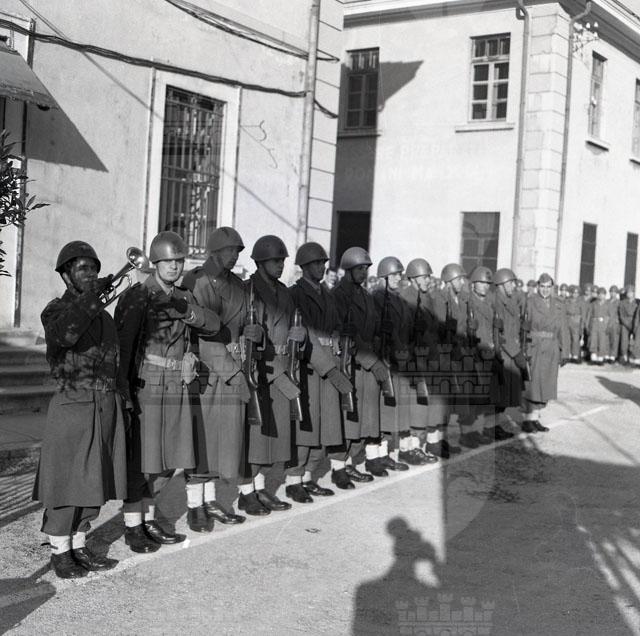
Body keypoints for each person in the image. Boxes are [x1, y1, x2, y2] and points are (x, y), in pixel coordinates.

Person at [116, 231, 219, 552]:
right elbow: (124, 348)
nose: (174, 266)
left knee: (169, 458)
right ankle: (134, 526)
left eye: (179, 261)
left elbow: (212, 324)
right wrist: (124, 392)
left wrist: (185, 310)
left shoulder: (183, 296)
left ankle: (148, 520)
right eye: (168, 261)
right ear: (155, 263)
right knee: (143, 459)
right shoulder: (138, 296)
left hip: (177, 385)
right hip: (147, 384)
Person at [34, 241, 127, 578]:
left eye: (94, 268)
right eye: (82, 268)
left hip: (104, 403)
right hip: (72, 405)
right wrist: (91, 299)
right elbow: (66, 335)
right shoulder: (55, 310)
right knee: (66, 481)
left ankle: (78, 543)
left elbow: (115, 361)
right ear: (66, 275)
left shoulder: (103, 316)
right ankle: (60, 551)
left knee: (93, 481)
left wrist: (122, 401)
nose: (91, 274)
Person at [182, 227, 262, 525]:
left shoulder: (239, 285)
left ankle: (211, 500)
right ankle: (194, 505)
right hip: (208, 370)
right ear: (214, 251)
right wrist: (233, 373)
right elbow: (198, 336)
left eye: (237, 251)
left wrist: (256, 333)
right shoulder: (196, 282)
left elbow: (243, 325)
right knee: (202, 439)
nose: (234, 256)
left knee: (223, 441)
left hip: (233, 367)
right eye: (229, 250)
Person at [237, 235, 304, 514]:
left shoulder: (284, 293)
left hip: (282, 367)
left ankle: (260, 488)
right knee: (254, 436)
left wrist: (299, 337)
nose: (280, 265)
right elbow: (236, 330)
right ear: (260, 262)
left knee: (271, 438)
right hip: (259, 369)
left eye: (282, 260)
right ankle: (246, 493)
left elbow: (291, 327)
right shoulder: (246, 290)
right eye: (275, 261)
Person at [285, 242, 353, 503]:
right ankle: (293, 481)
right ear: (304, 266)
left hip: (329, 361)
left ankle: (308, 477)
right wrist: (330, 367)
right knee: (305, 427)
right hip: (308, 366)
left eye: (323, 263)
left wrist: (337, 337)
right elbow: (304, 333)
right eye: (316, 263)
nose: (322, 267)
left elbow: (335, 324)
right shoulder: (295, 294)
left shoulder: (327, 293)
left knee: (324, 426)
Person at [329, 247, 389, 488]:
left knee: (364, 418)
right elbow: (346, 334)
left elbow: (372, 326)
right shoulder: (338, 295)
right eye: (360, 268)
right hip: (350, 363)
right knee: (347, 418)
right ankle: (338, 468)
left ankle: (354, 461)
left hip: (367, 362)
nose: (364, 272)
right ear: (348, 269)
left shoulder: (365, 295)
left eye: (366, 268)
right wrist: (372, 360)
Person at [373, 257, 433, 468]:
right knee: (386, 411)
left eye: (399, 274)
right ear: (384, 276)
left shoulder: (398, 299)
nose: (399, 277)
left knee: (401, 410)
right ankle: (381, 455)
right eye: (394, 274)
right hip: (388, 361)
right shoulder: (378, 298)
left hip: (403, 359)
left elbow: (405, 329)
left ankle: (402, 451)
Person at [401, 258, 459, 459]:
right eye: (424, 277)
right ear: (413, 278)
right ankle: (411, 447)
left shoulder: (428, 297)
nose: (428, 280)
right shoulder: (406, 297)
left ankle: (432, 443)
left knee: (433, 404)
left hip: (432, 356)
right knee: (416, 406)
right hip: (416, 358)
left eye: (427, 277)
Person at [521, 273, 566, 433]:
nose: (545, 290)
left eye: (548, 287)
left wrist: (564, 351)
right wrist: (525, 348)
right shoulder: (530, 302)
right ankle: (527, 420)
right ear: (538, 286)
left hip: (552, 348)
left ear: (552, 288)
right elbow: (524, 327)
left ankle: (535, 418)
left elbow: (563, 328)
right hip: (536, 347)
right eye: (542, 286)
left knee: (546, 385)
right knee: (533, 385)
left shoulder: (559, 304)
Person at [493, 268, 527, 433]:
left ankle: (496, 425)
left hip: (511, 352)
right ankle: (492, 426)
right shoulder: (496, 302)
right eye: (511, 282)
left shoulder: (510, 300)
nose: (514, 286)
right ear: (502, 283)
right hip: (503, 353)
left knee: (506, 393)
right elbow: (501, 334)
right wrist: (516, 352)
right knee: (499, 393)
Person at [588, 287, 610, 364]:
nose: (601, 296)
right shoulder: (593, 304)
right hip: (594, 323)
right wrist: (588, 325)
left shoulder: (608, 304)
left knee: (602, 341)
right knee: (593, 340)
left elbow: (610, 316)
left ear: (605, 295)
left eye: (603, 294)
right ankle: (593, 357)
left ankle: (600, 358)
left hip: (603, 324)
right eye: (599, 294)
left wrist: (607, 325)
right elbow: (589, 315)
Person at [619, 285, 638, 365]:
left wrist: (635, 325)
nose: (629, 294)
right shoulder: (622, 302)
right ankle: (624, 356)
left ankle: (633, 357)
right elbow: (621, 315)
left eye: (631, 292)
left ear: (634, 293)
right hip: (625, 323)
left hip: (635, 322)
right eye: (628, 292)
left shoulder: (637, 302)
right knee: (624, 340)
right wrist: (626, 324)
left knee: (636, 340)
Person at [565, 285, 583, 363]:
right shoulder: (567, 301)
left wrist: (581, 323)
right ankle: (568, 355)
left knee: (575, 339)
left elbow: (582, 313)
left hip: (576, 321)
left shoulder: (580, 302)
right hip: (568, 320)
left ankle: (575, 355)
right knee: (568, 339)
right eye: (573, 293)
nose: (575, 294)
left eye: (576, 293)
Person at [606, 285, 621, 363]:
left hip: (615, 322)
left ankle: (612, 356)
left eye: (614, 292)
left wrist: (618, 321)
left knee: (614, 340)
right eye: (611, 292)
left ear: (617, 293)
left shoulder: (619, 302)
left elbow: (621, 313)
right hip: (607, 322)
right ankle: (607, 355)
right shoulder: (607, 301)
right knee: (607, 339)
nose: (612, 294)